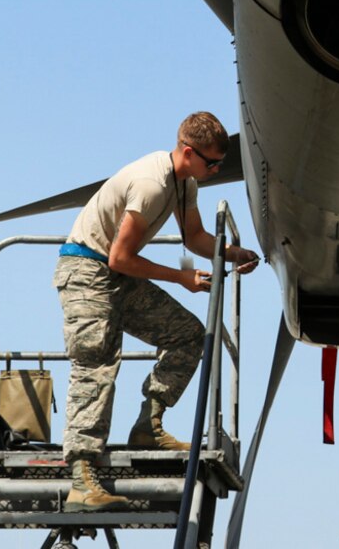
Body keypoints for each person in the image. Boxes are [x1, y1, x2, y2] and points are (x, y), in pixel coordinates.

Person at [53, 111, 260, 512]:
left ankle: (149, 424)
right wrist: (180, 277)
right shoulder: (151, 184)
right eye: (212, 163)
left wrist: (235, 253)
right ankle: (81, 479)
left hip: (114, 272)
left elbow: (195, 237)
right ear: (188, 152)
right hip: (86, 270)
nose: (216, 171)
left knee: (187, 335)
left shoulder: (185, 183)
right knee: (96, 364)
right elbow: (120, 257)